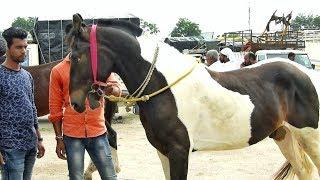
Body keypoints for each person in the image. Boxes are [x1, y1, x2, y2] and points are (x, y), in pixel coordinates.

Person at [49, 54, 120, 180]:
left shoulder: (100, 65)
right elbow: (55, 108)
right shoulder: (58, 70)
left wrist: (109, 89)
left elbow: (117, 90)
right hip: (72, 136)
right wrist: (59, 138)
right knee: (76, 177)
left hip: (98, 132)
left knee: (110, 177)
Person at [0, 27, 45, 180]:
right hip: (10, 146)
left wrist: (39, 139)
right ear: (7, 48)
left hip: (30, 144)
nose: (24, 51)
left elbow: (32, 108)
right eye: (19, 47)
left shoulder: (27, 76)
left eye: (25, 47)